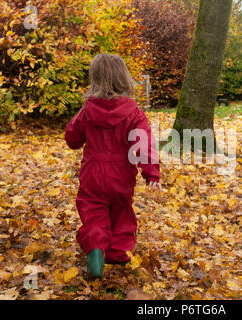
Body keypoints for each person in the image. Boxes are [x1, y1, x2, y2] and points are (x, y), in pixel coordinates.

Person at [65, 53, 161, 279]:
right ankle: (118, 253)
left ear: (95, 79)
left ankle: (96, 247)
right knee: (121, 211)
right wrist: (152, 174)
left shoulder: (88, 111)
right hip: (121, 174)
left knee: (93, 211)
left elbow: (72, 139)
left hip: (93, 173)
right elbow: (144, 144)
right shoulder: (134, 113)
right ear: (123, 78)